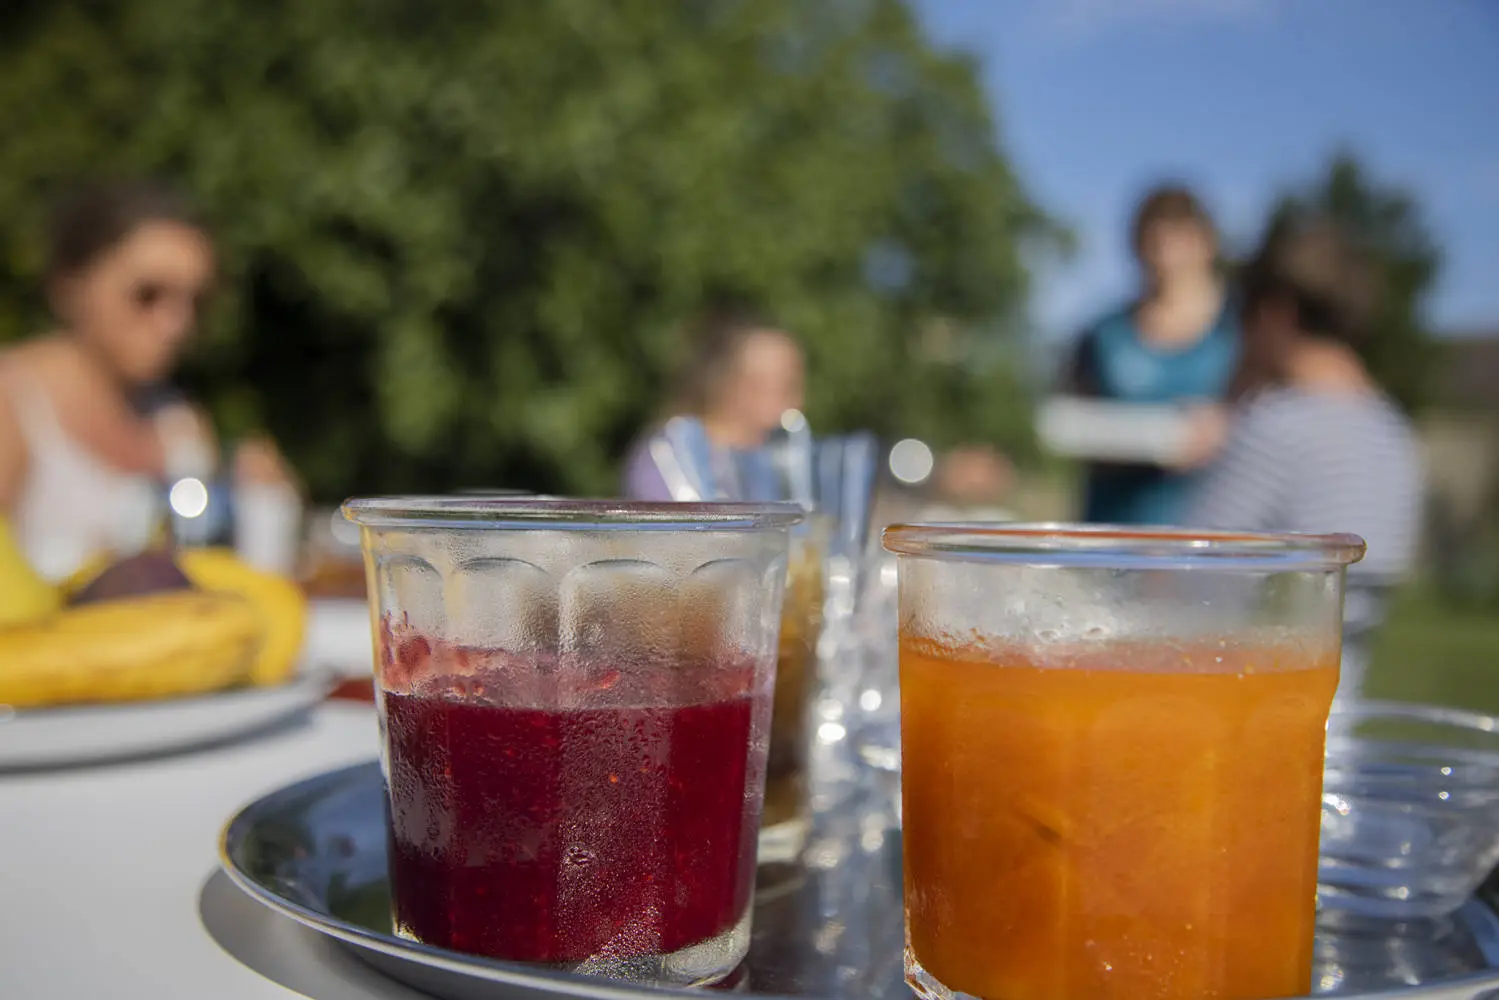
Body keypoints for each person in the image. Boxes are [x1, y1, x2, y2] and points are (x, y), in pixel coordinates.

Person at [1185, 213, 1423, 701]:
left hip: (1255, 726)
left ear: (1276, 313)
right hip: (1340, 721)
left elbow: (1184, 592)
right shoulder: (1393, 432)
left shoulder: (1278, 425)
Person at [0, 179, 220, 580]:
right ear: (72, 283)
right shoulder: (13, 402)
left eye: (194, 302)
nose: (176, 324)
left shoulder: (181, 425)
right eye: (148, 294)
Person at [1063, 184, 1239, 525]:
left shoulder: (1241, 331)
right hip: (1114, 529)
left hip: (1208, 536)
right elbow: (1070, 421)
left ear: (1206, 244)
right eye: (1155, 244)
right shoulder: (1103, 334)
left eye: (1179, 242)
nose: (1166, 258)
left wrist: (1226, 432)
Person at [624, 309, 805, 502]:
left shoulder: (780, 463)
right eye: (780, 388)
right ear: (727, 384)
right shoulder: (668, 455)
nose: (793, 403)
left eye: (792, 387)